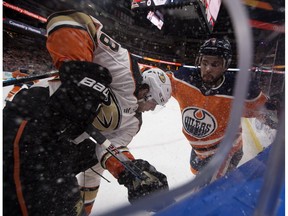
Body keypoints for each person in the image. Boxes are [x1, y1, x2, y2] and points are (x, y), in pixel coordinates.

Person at [3, 10, 172, 216]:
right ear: (146, 91)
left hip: (59, 146)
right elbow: (73, 20)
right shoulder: (126, 71)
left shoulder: (134, 122)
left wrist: (130, 172)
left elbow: (110, 148)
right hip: (34, 122)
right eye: (154, 102)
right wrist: (77, 68)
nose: (153, 108)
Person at [167, 38, 268, 183]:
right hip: (199, 149)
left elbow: (265, 109)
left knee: (209, 191)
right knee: (200, 178)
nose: (208, 69)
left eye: (215, 64)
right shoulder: (184, 79)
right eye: (204, 63)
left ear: (225, 66)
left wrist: (274, 114)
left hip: (226, 150)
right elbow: (159, 81)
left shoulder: (237, 89)